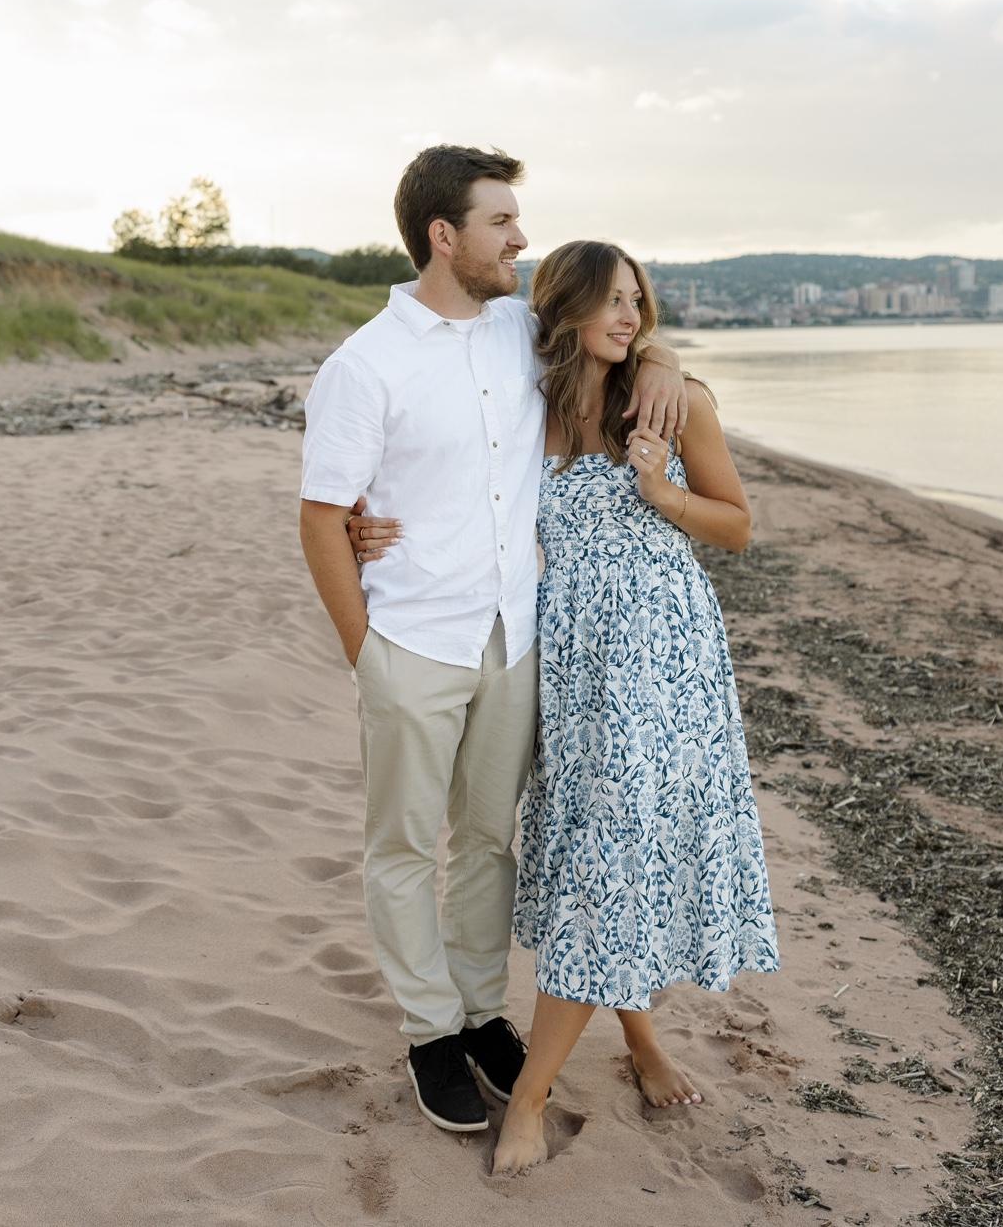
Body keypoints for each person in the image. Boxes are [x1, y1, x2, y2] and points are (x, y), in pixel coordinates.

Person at [298, 148, 687, 1136]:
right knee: (401, 844)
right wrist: (365, 652)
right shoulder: (364, 366)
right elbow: (322, 517)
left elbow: (621, 335)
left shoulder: (525, 330)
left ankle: (479, 1013)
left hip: (514, 634)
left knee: (485, 841)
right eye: (500, 222)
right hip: (411, 640)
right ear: (444, 236)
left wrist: (664, 361)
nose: (520, 238)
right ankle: (429, 1030)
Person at [490, 240, 780, 1175]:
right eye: (612, 301)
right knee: (603, 858)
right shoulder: (524, 406)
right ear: (565, 308)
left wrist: (658, 490)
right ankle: (643, 1039)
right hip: (575, 668)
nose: (631, 317)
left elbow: (737, 525)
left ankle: (530, 1098)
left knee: (613, 859)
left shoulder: (673, 400)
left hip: (664, 665)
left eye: (638, 302)